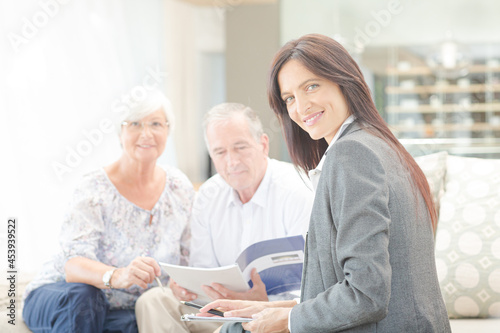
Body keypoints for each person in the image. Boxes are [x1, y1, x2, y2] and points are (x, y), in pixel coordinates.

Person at [199, 34, 452, 332]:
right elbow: (358, 288)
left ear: (343, 80)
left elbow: (366, 294)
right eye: (289, 98)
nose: (301, 106)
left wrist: (287, 320)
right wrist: (268, 309)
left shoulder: (352, 154)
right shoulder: (377, 144)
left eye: (311, 86)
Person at [22, 89, 194, 333]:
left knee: (139, 321)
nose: (146, 133)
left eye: (156, 123)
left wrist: (181, 285)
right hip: (63, 295)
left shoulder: (180, 188)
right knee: (85, 298)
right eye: (134, 123)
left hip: (122, 309)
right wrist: (117, 275)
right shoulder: (94, 188)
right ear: (120, 133)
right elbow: (74, 264)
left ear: (168, 130)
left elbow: (187, 259)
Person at [134, 103, 314, 333]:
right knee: (154, 300)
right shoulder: (209, 195)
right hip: (219, 311)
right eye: (220, 152)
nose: (232, 161)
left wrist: (263, 302)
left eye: (240, 147)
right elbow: (202, 269)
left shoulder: (297, 191)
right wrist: (185, 289)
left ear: (263, 145)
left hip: (275, 315)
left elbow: (313, 291)